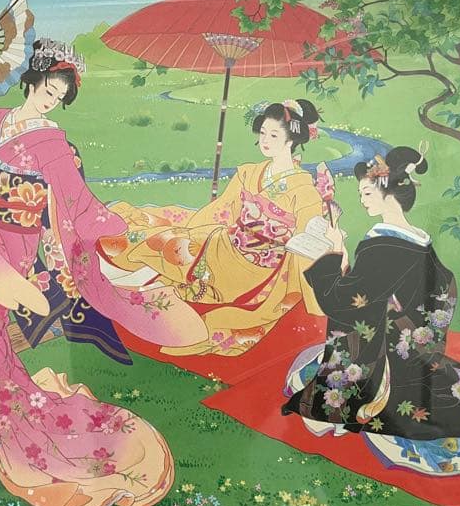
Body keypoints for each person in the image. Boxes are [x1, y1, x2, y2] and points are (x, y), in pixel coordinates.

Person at [0, 35, 207, 506]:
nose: (52, 100)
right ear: (32, 80)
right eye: (49, 89)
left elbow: (79, 206)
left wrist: (121, 227)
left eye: (60, 96)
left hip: (14, 246)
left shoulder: (52, 143)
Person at [281, 146, 460, 474]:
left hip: (394, 360)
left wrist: (332, 256)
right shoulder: (417, 239)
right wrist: (346, 262)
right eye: (360, 194)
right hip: (414, 341)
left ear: (388, 193)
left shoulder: (384, 246)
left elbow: (345, 302)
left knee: (341, 365)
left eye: (366, 192)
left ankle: (364, 395)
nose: (362, 200)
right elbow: (375, 292)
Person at [101, 99, 330, 357]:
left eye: (274, 135)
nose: (265, 140)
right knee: (172, 238)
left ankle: (137, 277)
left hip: (255, 269)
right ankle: (125, 266)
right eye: (263, 132)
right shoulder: (250, 173)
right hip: (223, 242)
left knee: (176, 249)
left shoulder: (304, 191)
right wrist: (190, 229)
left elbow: (306, 243)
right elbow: (220, 210)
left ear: (291, 140)